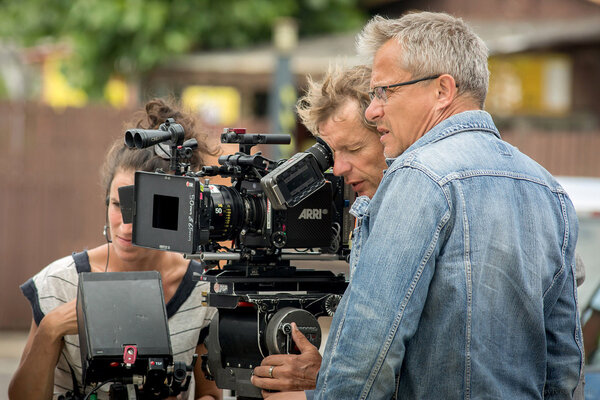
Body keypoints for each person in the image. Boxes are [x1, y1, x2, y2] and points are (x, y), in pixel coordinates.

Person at [306, 12, 581, 399]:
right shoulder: (548, 189)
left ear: (442, 90)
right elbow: (564, 368)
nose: (373, 110)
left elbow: (367, 356)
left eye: (385, 91)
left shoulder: (419, 175)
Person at [9, 98, 222, 400]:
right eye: (118, 205)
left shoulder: (202, 290)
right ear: (105, 200)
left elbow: (209, 393)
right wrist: (51, 328)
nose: (126, 225)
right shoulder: (59, 285)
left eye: (142, 211)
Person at [251, 65, 388, 397]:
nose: (338, 169)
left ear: (388, 131)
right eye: (332, 153)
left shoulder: (410, 217)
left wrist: (323, 381)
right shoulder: (369, 212)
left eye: (353, 149)